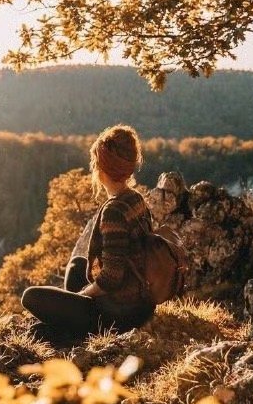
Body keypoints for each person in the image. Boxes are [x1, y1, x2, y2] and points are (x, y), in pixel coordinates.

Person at [21, 124, 155, 340]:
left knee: (30, 297)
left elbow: (111, 278)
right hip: (140, 304)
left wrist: (85, 294)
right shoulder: (135, 198)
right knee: (77, 266)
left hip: (119, 315)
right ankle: (70, 323)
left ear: (101, 168)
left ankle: (77, 331)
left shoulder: (114, 211)